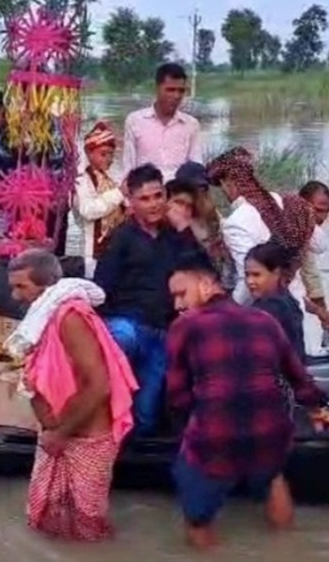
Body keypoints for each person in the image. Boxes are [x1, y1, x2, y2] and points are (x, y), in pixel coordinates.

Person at [165, 257, 329, 550]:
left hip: (214, 434)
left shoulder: (185, 326)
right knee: (272, 476)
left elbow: (177, 395)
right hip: (270, 429)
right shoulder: (263, 319)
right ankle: (287, 549)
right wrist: (317, 409)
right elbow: (298, 377)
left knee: (197, 514)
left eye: (182, 294)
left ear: (207, 286)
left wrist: (187, 429)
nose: (177, 305)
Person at [2, 249, 138, 542]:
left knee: (88, 529)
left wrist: (61, 433)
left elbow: (98, 384)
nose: (15, 297)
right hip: (59, 434)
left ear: (46, 286)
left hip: (82, 437)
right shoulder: (45, 317)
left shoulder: (69, 317)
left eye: (21, 287)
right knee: (49, 522)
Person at [93, 163, 200, 435]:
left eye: (158, 196)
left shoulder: (175, 236)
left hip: (162, 330)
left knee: (147, 415)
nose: (153, 204)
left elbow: (199, 273)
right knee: (123, 336)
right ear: (131, 202)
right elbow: (100, 289)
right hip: (126, 323)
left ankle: (138, 456)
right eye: (144, 199)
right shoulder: (121, 239)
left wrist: (184, 229)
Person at [206, 147, 315, 305]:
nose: (223, 191)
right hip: (294, 300)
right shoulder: (276, 199)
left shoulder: (235, 223)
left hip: (267, 309)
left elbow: (247, 280)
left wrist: (231, 313)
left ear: (228, 182)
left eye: (221, 185)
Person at [121, 63, 202, 177]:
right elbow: (129, 167)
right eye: (170, 90)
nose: (176, 96)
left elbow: (196, 166)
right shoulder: (135, 121)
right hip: (146, 191)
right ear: (157, 88)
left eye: (181, 91)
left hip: (178, 191)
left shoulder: (191, 125)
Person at [166, 161, 236, 293]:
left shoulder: (211, 214)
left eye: (203, 189)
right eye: (195, 188)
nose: (199, 193)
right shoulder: (172, 215)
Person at [72, 122, 126, 277]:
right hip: (91, 252)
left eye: (111, 154)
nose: (109, 159)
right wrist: (120, 193)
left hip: (112, 248)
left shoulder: (110, 180)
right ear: (89, 154)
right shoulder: (81, 181)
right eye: (103, 154)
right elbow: (88, 211)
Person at [246, 242, 306, 361]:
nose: (249, 281)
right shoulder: (288, 300)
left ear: (277, 273)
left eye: (256, 275)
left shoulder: (269, 310)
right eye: (247, 275)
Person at [298, 181, 329, 334]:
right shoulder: (286, 232)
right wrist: (320, 312)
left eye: (326, 212)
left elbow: (311, 276)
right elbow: (284, 292)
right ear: (301, 204)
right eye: (317, 210)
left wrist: (324, 314)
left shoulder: (306, 233)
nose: (321, 218)